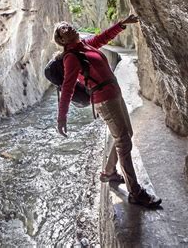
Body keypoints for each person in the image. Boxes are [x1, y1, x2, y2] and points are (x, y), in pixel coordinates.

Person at [53, 15, 162, 208]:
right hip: (105, 101)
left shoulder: (85, 45)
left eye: (69, 26)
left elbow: (103, 37)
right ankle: (135, 192)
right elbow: (67, 87)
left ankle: (109, 172)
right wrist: (62, 118)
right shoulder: (71, 57)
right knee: (123, 141)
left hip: (114, 94)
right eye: (64, 30)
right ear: (62, 40)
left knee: (126, 134)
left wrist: (121, 24)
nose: (70, 28)